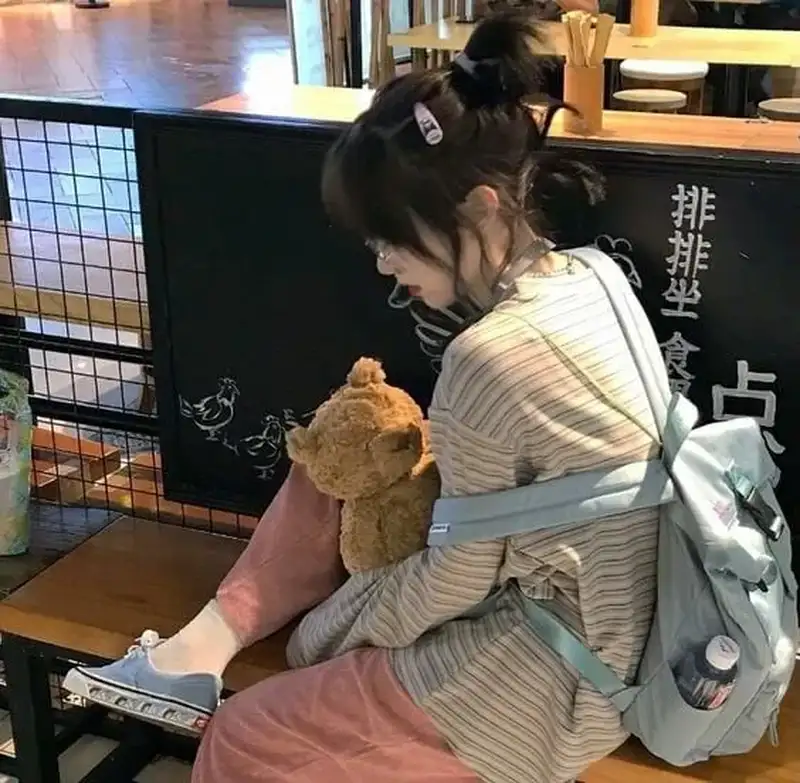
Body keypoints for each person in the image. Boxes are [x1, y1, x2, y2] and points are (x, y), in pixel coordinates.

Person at [63, 9, 660, 783]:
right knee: (345, 445)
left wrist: (321, 634)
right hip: (598, 631)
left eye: (392, 237)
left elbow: (454, 578)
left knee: (244, 737)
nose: (382, 264)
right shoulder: (587, 279)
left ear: (480, 208)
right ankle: (200, 647)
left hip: (543, 682)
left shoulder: (491, 355)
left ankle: (200, 649)